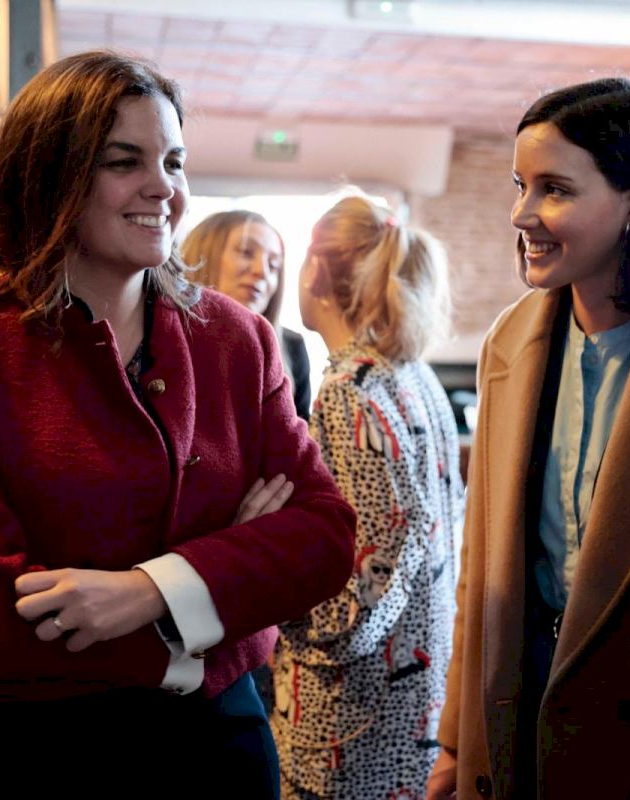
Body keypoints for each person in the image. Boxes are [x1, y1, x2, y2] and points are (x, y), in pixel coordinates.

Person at [0, 50, 355, 798]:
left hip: (218, 751)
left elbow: (324, 539)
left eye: (174, 161)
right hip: (28, 755)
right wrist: (217, 598)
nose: (163, 187)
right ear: (49, 175)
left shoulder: (238, 339)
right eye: (124, 161)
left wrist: (148, 591)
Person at [428, 78, 630, 800]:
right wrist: (455, 741)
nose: (522, 214)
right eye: (520, 186)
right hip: (518, 706)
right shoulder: (509, 343)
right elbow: (481, 568)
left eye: (554, 189)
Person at [270, 196, 464, 799]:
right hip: (411, 699)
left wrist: (282, 622)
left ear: (316, 271)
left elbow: (371, 574)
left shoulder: (349, 389)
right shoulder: (411, 375)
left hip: (350, 716)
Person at [182, 210, 312, 420]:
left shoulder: (292, 346)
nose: (262, 271)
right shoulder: (160, 333)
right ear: (204, 255)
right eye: (246, 252)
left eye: (273, 265)